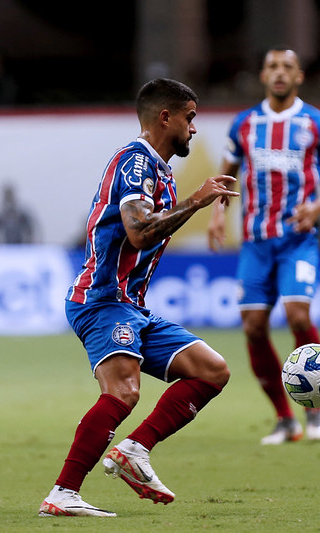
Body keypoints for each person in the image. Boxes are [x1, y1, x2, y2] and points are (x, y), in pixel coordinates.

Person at [39, 78, 238, 517]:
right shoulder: (134, 162)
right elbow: (138, 230)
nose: (194, 129)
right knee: (124, 391)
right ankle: (63, 494)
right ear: (165, 117)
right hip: (101, 299)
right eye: (190, 118)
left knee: (211, 371)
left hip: (131, 306)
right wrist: (197, 201)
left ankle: (134, 450)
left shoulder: (159, 172)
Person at [207, 47, 320, 445]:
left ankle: (315, 410)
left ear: (299, 76)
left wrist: (319, 205)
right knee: (253, 328)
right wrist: (218, 214)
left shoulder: (316, 123)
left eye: (287, 67)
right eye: (272, 66)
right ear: (262, 75)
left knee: (298, 317)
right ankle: (285, 420)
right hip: (255, 242)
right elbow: (226, 176)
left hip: (297, 240)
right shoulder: (245, 123)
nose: (279, 73)